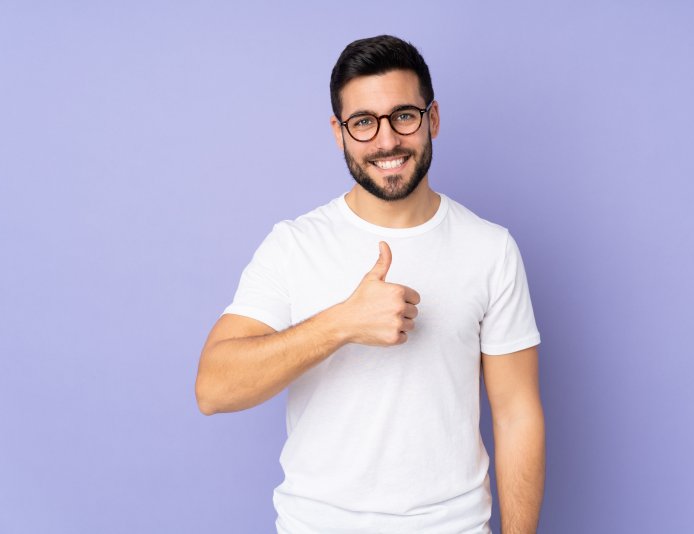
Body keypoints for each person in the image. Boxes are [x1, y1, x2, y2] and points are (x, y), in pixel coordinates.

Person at [195, 34, 544, 534]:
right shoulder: (295, 245)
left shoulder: (491, 248)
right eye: (364, 123)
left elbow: (517, 415)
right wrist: (340, 324)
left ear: (433, 119)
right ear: (339, 133)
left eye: (404, 115)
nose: (386, 141)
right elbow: (213, 388)